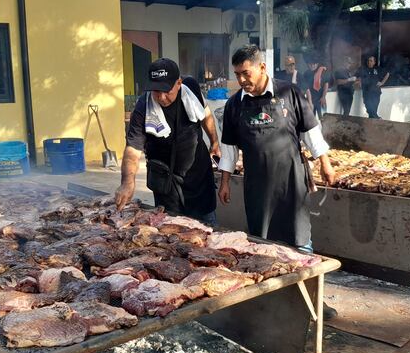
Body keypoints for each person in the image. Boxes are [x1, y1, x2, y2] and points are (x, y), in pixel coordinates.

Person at [218, 45, 337, 319]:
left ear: (262, 68)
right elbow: (229, 150)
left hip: (292, 182)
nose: (242, 80)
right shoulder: (235, 104)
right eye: (237, 75)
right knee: (263, 244)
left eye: (245, 73)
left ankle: (315, 302)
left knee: (301, 243)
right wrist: (224, 182)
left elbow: (311, 133)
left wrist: (325, 163)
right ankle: (271, 306)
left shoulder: (289, 93)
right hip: (257, 186)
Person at [115, 58, 220, 224]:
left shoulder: (190, 88)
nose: (162, 97)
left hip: (199, 177)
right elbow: (132, 150)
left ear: (178, 83)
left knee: (208, 230)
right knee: (171, 234)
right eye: (156, 91)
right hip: (166, 183)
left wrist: (214, 142)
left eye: (166, 91)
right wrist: (127, 182)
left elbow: (206, 115)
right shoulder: (143, 107)